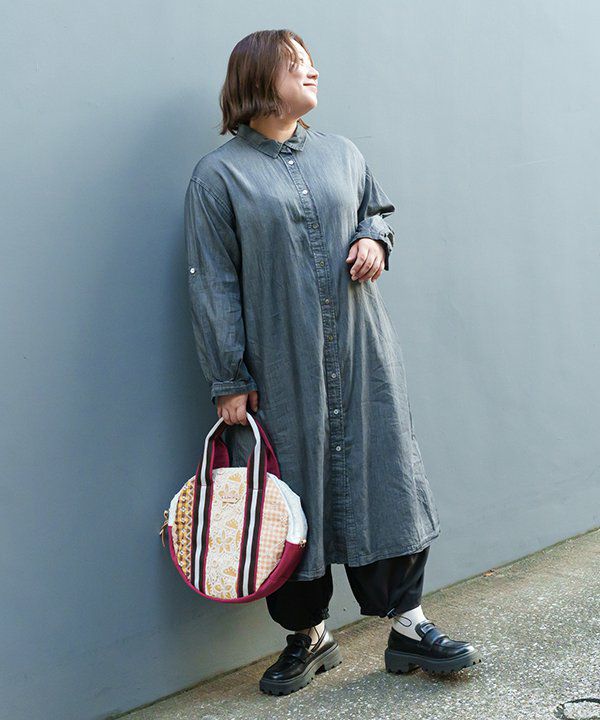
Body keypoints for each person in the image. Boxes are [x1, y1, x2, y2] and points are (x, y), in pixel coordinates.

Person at [184, 29, 482, 696]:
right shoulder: (219, 176)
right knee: (292, 497)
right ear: (259, 79)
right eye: (296, 63)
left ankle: (409, 626)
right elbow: (213, 282)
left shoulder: (344, 154)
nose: (312, 71)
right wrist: (229, 377)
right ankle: (308, 636)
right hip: (279, 369)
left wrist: (375, 240)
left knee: (385, 477)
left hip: (361, 353)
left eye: (311, 61)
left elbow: (375, 214)